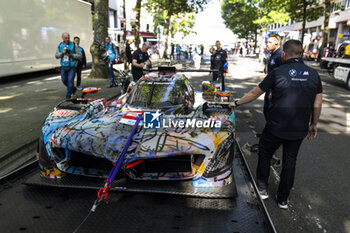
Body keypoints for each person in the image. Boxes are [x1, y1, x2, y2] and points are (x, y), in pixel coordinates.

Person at [229, 40, 323, 209]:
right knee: (290, 161)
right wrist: (314, 123)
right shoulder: (314, 74)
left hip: (276, 125)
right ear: (302, 53)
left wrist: (236, 103)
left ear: (285, 54)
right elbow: (318, 102)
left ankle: (262, 190)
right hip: (299, 127)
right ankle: (283, 199)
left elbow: (255, 92)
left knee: (265, 154)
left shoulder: (278, 72)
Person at [55, 32, 82, 99]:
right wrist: (62, 53)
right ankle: (73, 89)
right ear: (63, 38)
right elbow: (56, 55)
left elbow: (80, 55)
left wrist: (72, 55)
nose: (67, 39)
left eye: (68, 38)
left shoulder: (73, 45)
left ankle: (68, 95)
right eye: (65, 38)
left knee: (70, 80)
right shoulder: (60, 45)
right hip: (64, 66)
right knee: (64, 80)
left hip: (72, 66)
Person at [264, 34, 282, 120]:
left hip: (275, 88)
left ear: (277, 43)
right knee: (266, 110)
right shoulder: (273, 54)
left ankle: (272, 132)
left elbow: (283, 75)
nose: (267, 44)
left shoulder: (280, 55)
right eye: (267, 42)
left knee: (271, 111)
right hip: (269, 87)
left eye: (270, 42)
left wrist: (275, 90)